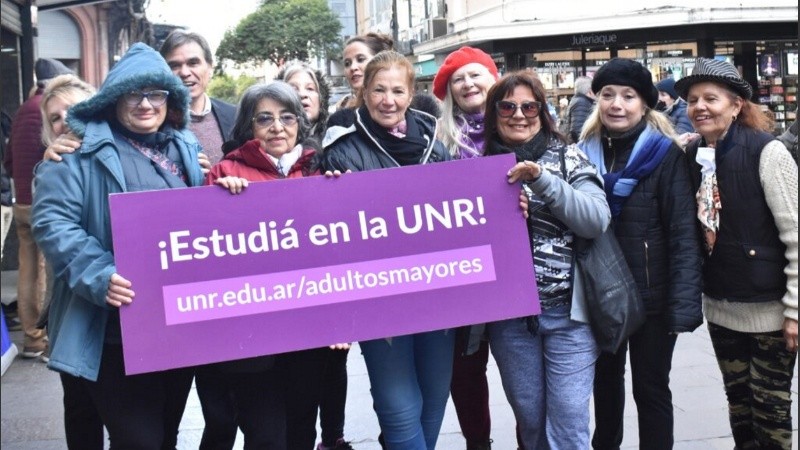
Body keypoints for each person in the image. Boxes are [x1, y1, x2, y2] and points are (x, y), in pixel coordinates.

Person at [30, 42, 214, 448]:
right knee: (140, 440)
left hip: (174, 328)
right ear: (114, 99)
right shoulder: (75, 154)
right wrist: (100, 273)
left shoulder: (186, 149)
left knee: (165, 435)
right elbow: (52, 224)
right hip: (111, 333)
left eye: (157, 94)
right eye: (135, 93)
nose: (146, 104)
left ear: (171, 99)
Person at [322, 50, 452, 449]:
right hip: (378, 296)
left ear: (411, 94)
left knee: (433, 399)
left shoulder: (435, 142)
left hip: (437, 292)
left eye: (397, 90)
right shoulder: (342, 148)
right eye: (379, 89)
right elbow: (332, 234)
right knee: (398, 405)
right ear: (363, 91)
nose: (388, 100)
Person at [577, 58, 704, 450]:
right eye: (608, 95)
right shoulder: (581, 154)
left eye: (628, 96)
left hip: (653, 299)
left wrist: (682, 306)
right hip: (601, 297)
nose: (617, 104)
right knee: (605, 389)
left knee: (650, 390)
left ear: (645, 104)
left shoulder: (666, 156)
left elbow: (684, 233)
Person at [481, 70, 610, 449]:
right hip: (510, 320)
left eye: (529, 106)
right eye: (507, 106)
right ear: (494, 112)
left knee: (569, 421)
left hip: (569, 316)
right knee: (531, 420)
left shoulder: (570, 157)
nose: (518, 114)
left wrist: (542, 180)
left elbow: (596, 220)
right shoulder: (475, 165)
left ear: (542, 110)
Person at [676, 57, 798, 450]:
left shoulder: (769, 153)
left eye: (711, 98)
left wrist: (796, 309)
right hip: (721, 308)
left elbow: (796, 234)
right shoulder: (693, 155)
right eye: (693, 100)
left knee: (771, 412)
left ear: (736, 105)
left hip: (770, 312)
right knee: (739, 408)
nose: (699, 107)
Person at [202, 81, 329, 450]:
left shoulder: (317, 170)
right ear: (248, 127)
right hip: (253, 332)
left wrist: (340, 195)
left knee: (303, 425)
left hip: (308, 327)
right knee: (266, 434)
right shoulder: (224, 173)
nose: (278, 127)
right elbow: (206, 251)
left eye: (287, 117)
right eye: (265, 118)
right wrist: (219, 203)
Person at [275, 64, 353, 450]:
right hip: (286, 283)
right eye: (293, 87)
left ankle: (333, 436)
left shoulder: (336, 146)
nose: (303, 93)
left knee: (333, 362)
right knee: (299, 378)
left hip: (330, 274)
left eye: (310, 88)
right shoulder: (267, 147)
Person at [431, 45, 499, 450]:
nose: (468, 83)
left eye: (476, 75)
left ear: (493, 80)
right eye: (459, 79)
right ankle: (479, 443)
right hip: (461, 276)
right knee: (466, 371)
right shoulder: (436, 140)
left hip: (514, 271)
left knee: (521, 374)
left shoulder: (520, 127)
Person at [35, 74, 104, 450]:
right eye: (56, 117)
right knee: (80, 405)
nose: (66, 121)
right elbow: (57, 234)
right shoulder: (54, 165)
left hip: (124, 306)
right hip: (74, 306)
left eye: (74, 110)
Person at [3, 58, 74, 361]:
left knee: (27, 268)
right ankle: (48, 339)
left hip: (21, 199)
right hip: (43, 198)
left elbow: (7, 158)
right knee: (48, 270)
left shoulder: (22, 109)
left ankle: (32, 338)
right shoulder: (43, 108)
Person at [327, 33, 440, 131]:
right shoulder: (341, 121)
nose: (353, 67)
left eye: (360, 59)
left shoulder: (423, 111)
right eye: (347, 63)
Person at [160, 29, 236, 164]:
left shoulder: (234, 116)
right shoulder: (153, 121)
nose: (184, 72)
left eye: (193, 63)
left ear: (210, 68)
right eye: (174, 65)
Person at [563, 75, 595, 144]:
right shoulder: (582, 103)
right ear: (590, 91)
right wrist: (586, 148)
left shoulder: (578, 100)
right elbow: (577, 130)